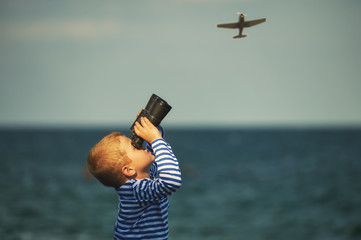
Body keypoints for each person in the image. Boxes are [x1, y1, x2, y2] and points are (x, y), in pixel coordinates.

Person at [87, 116, 182, 240]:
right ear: (128, 170)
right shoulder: (137, 189)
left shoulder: (141, 178)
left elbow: (154, 153)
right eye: (133, 147)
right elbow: (171, 180)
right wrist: (156, 139)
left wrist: (151, 124)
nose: (139, 145)